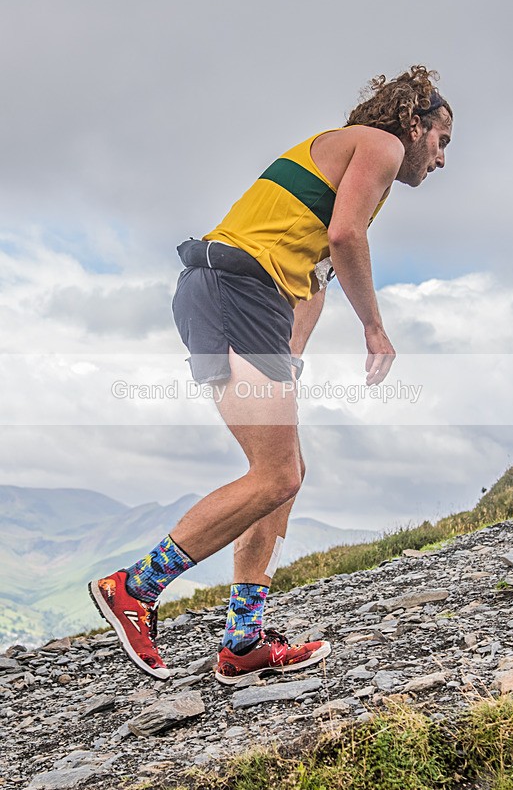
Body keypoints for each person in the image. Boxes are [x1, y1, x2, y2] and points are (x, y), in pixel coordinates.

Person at [89, 65, 453, 683]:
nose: (442, 159)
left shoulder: (341, 166)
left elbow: (312, 277)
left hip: (229, 292)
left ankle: (244, 641)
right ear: (414, 124)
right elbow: (345, 238)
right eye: (442, 141)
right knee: (277, 473)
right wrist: (374, 327)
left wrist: (292, 361)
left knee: (286, 475)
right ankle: (132, 588)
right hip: (235, 287)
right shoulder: (381, 144)